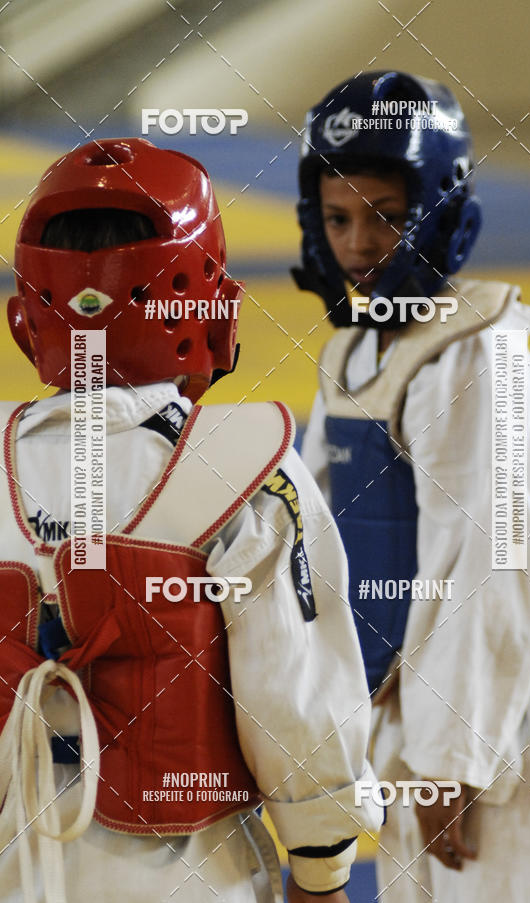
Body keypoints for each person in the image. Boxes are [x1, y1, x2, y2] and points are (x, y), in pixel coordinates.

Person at [0, 137, 383, 903]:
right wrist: (321, 866)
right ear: (203, 301)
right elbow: (294, 696)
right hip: (189, 874)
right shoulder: (243, 469)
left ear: (28, 314)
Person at [294, 71, 530, 902]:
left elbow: (496, 560)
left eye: (388, 217)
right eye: (339, 218)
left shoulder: (477, 354)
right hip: (412, 719)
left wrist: (452, 758)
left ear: (441, 215)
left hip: (510, 728)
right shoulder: (354, 356)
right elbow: (317, 541)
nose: (358, 245)